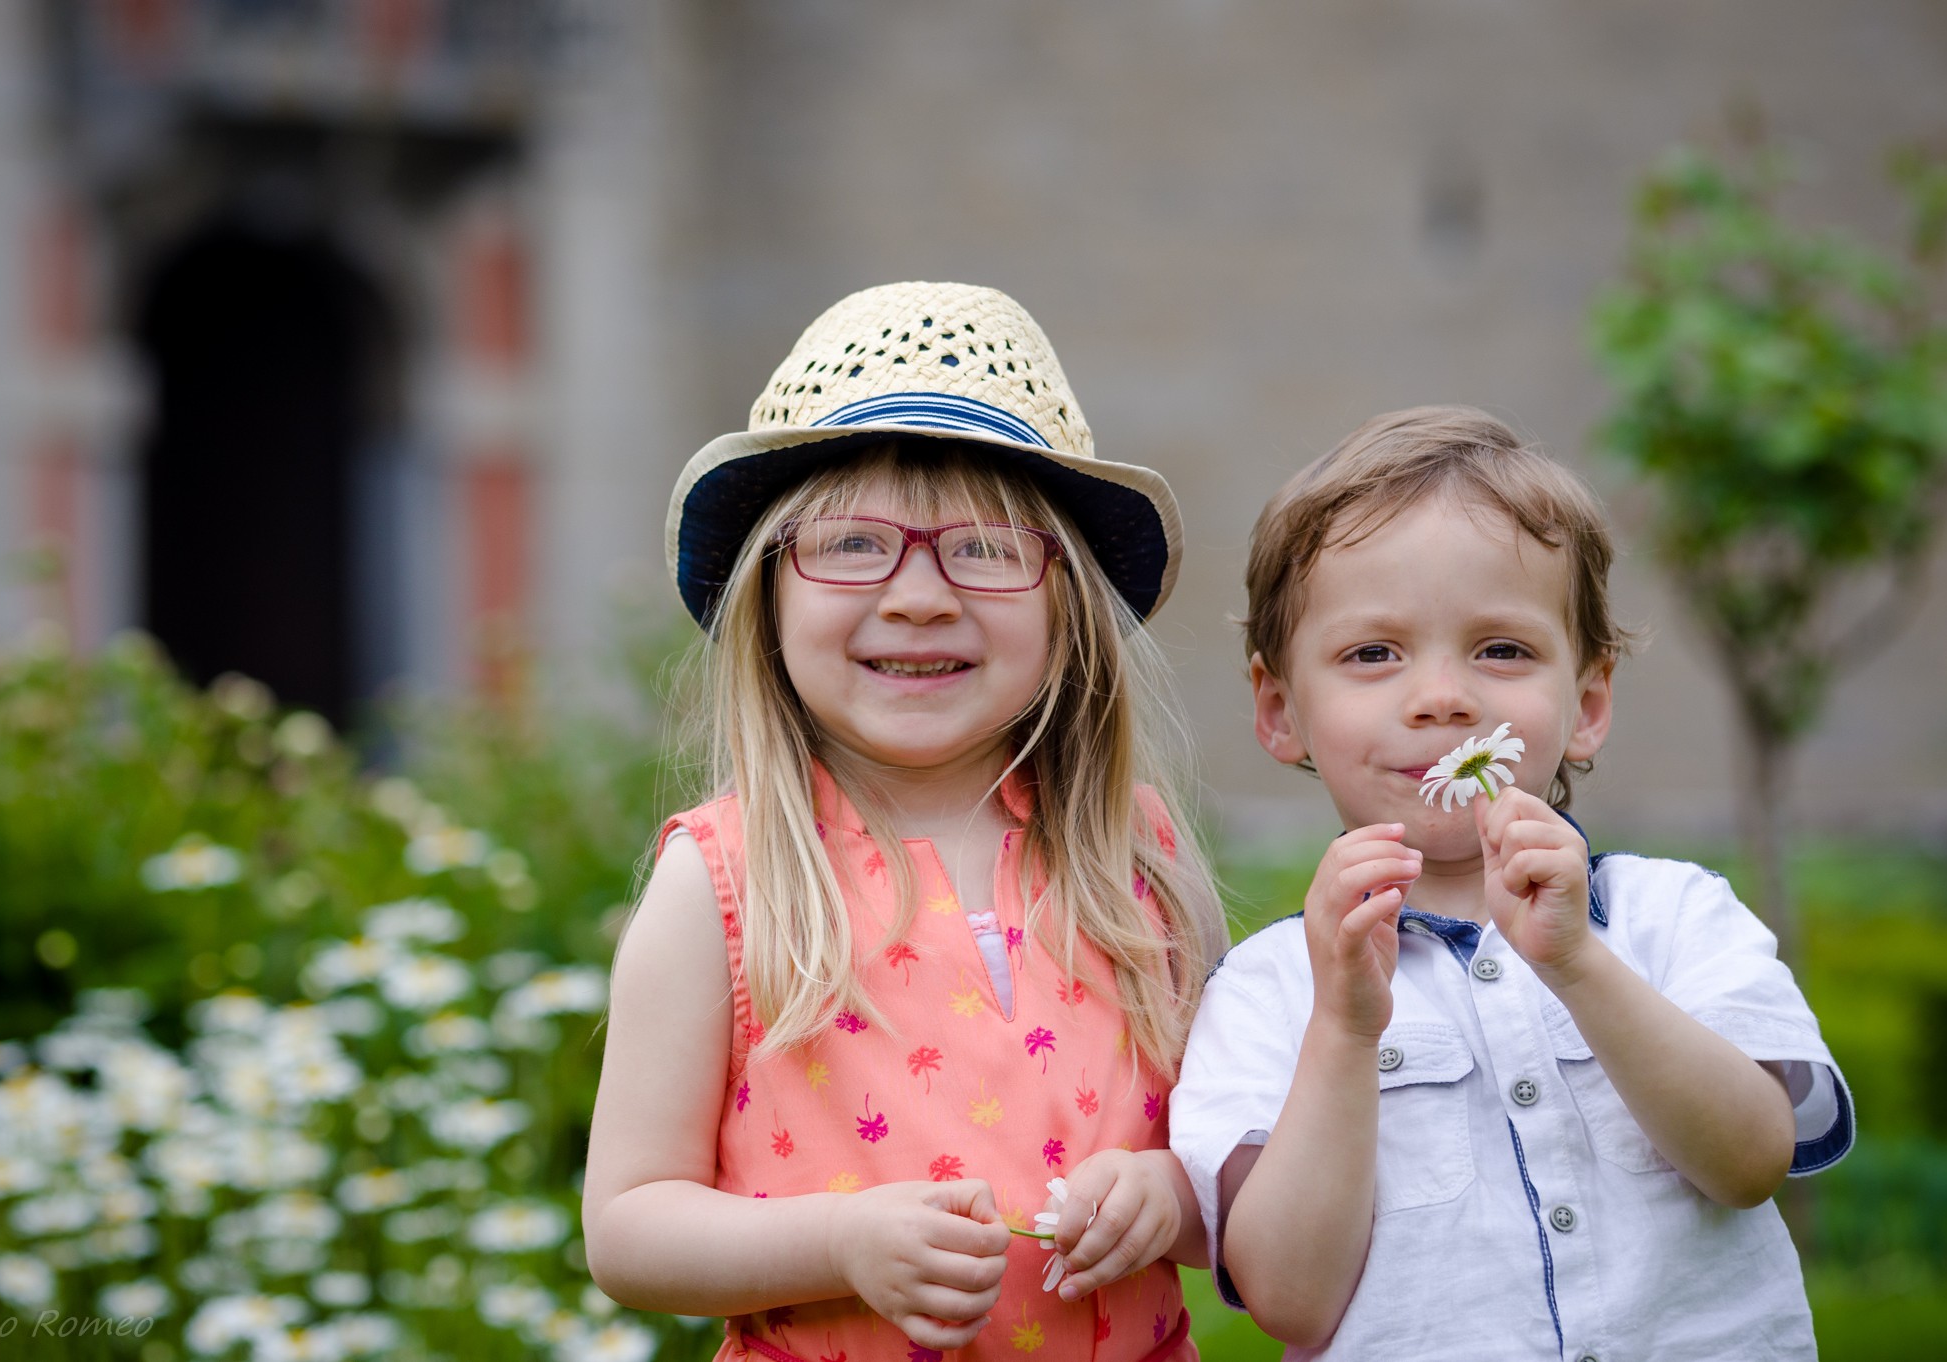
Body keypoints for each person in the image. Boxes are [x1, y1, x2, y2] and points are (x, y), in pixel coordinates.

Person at [583, 281, 1226, 1362]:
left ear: (1066, 603)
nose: (920, 596)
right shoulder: (728, 882)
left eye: (984, 546)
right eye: (847, 544)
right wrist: (841, 1241)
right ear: (767, 598)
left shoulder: (1133, 858)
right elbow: (629, 1227)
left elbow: (1247, 1171)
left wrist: (1169, 1195)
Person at [1170, 406, 1853, 1361]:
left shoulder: (1674, 917)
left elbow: (1750, 1163)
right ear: (1280, 710)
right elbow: (1290, 1297)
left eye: (1502, 650)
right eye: (1374, 653)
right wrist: (1345, 1027)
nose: (1444, 695)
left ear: (1589, 703)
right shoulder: (1270, 991)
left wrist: (1578, 965)